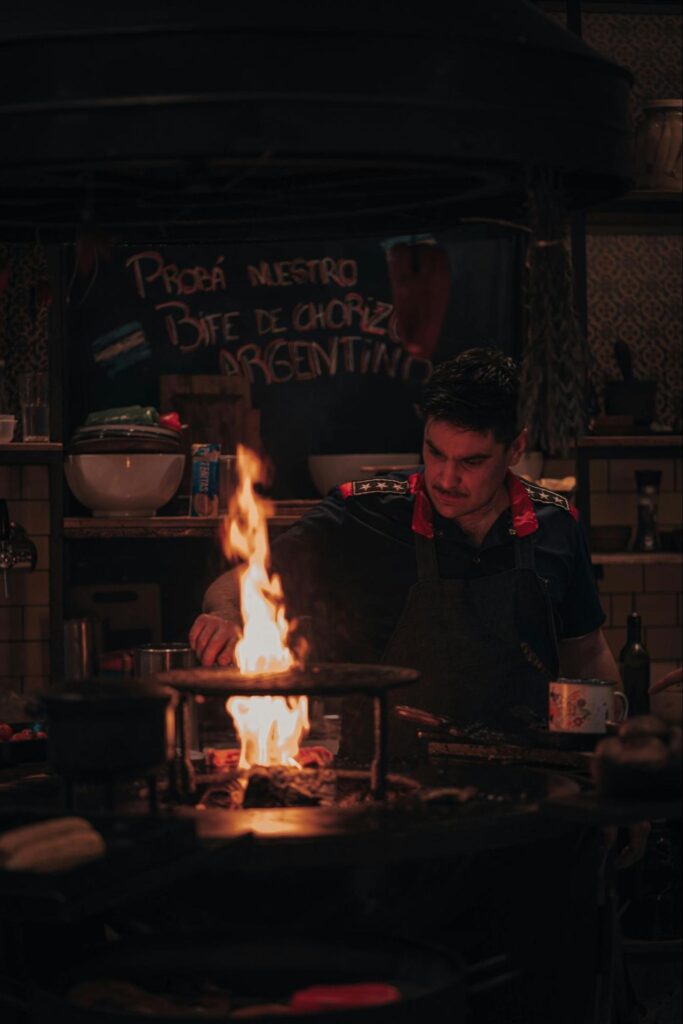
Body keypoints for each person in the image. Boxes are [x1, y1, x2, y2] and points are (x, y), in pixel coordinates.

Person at [190, 348, 619, 753]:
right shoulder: (362, 512)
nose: (447, 478)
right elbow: (238, 583)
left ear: (516, 449)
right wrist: (229, 616)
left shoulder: (557, 525)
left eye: (472, 462)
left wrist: (615, 748)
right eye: (435, 452)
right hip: (391, 782)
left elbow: (587, 651)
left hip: (527, 780)